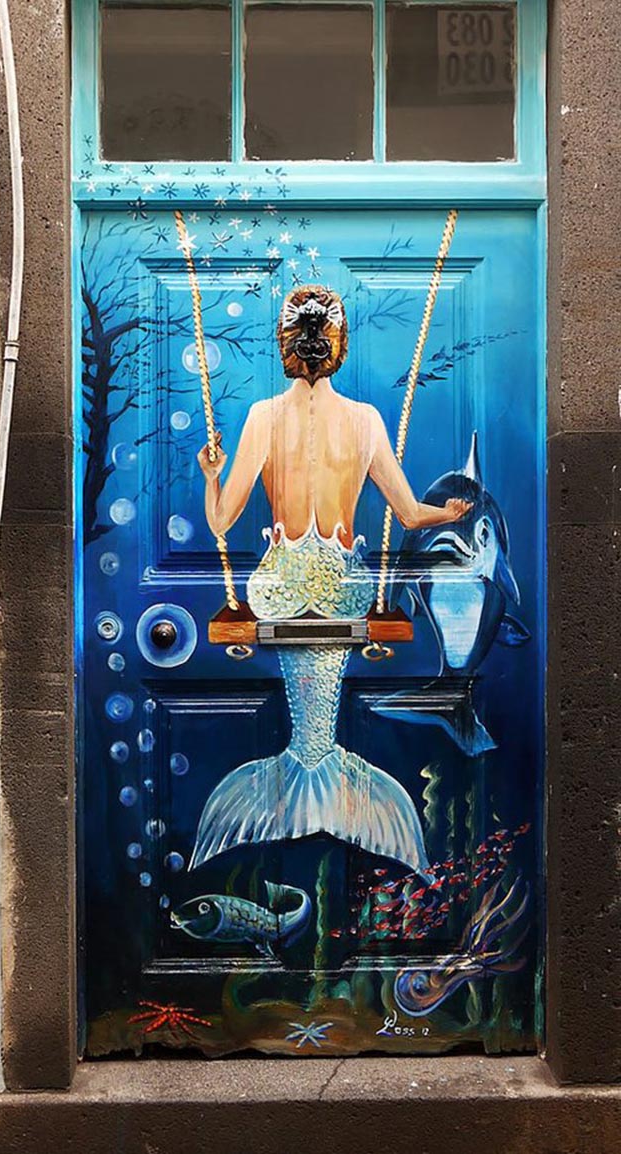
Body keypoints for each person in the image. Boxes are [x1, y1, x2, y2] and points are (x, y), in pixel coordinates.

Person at [189, 285, 470, 873]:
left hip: (279, 592)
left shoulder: (264, 417)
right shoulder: (365, 421)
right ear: (339, 347)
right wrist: (448, 516)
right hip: (345, 590)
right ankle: (330, 782)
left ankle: (304, 774)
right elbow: (411, 514)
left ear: (286, 346)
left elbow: (220, 522)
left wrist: (211, 475)